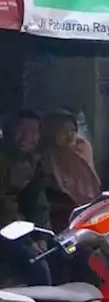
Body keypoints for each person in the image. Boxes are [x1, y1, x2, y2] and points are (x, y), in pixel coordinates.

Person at [0, 111, 53, 285]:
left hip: (21, 227)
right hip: (7, 227)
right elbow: (4, 206)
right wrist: (29, 241)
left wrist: (42, 237)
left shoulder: (35, 162)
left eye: (32, 131)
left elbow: (38, 202)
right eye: (20, 130)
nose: (25, 137)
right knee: (37, 266)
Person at [41, 110, 101, 230]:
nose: (70, 136)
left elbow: (91, 185)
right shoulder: (45, 157)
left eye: (73, 130)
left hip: (89, 210)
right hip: (59, 218)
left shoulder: (82, 148)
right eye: (63, 131)